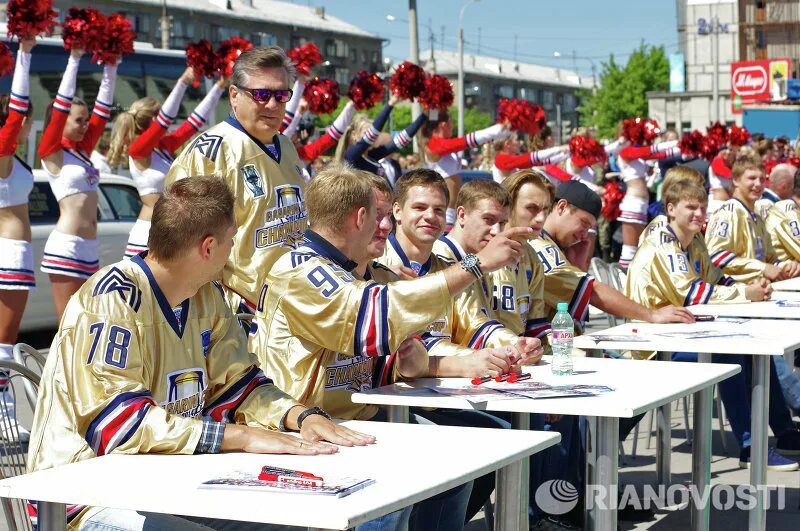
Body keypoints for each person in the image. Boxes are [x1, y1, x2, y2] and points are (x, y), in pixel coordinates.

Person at [27, 176, 374, 530]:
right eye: (232, 240)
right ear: (208, 247)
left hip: (169, 480)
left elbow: (240, 386)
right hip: (84, 496)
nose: (235, 251)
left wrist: (299, 417)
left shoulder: (206, 294)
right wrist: (241, 436)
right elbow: (119, 428)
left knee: (294, 521)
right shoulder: (111, 299)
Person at [255, 162, 532, 531]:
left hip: (360, 415)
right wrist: (477, 263)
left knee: (461, 462)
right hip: (304, 423)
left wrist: (414, 358)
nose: (384, 226)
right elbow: (374, 314)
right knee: (396, 493)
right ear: (359, 217)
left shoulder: (368, 271)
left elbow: (408, 357)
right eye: (378, 216)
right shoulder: (299, 269)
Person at [626, 178, 800, 470]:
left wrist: (752, 287)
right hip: (651, 344)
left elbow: (716, 278)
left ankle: (782, 432)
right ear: (670, 209)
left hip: (683, 333)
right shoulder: (663, 242)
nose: (698, 214)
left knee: (755, 350)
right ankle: (750, 448)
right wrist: (746, 293)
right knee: (731, 355)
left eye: (702, 208)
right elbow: (692, 292)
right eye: (690, 207)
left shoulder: (693, 241)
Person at [165, 46, 307, 344]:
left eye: (282, 95)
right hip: (237, 320)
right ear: (234, 95)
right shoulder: (211, 152)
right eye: (261, 94)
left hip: (290, 312)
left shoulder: (287, 147)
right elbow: (180, 247)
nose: (272, 104)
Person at [531, 180, 695, 328]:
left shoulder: (552, 244)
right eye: (584, 223)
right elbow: (592, 291)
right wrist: (652, 314)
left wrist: (578, 266)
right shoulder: (539, 244)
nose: (583, 236)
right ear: (561, 207)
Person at [107, 67, 227, 258]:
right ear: (155, 119)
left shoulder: (161, 148)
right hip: (145, 234)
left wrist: (219, 86)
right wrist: (182, 82)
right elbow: (164, 120)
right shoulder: (138, 150)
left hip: (166, 230)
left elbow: (193, 124)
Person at [38, 47, 119, 321]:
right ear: (60, 121)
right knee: (69, 323)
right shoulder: (52, 152)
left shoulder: (81, 151)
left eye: (86, 120)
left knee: (86, 322)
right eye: (78, 120)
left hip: (89, 247)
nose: (86, 125)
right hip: (67, 246)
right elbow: (61, 104)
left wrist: (111, 66)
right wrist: (74, 58)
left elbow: (103, 110)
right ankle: (60, 366)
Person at [0, 37, 35, 441]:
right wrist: (24, 53)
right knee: (5, 342)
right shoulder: (4, 153)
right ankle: (7, 420)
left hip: (12, 251)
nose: (23, 120)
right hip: (11, 254)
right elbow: (18, 110)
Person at [706, 157, 800, 283]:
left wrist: (787, 266)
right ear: (735, 180)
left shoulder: (757, 218)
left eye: (762, 179)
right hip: (733, 293)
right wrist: (762, 268)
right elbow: (715, 256)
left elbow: (771, 260)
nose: (758, 184)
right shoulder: (728, 212)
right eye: (752, 178)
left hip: (759, 291)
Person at [420, 109, 510, 229]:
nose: (453, 126)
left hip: (451, 212)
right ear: (443, 124)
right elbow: (465, 142)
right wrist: (497, 129)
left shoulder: (439, 144)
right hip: (443, 212)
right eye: (452, 122)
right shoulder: (433, 145)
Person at [616, 131, 680, 269]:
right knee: (629, 249)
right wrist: (675, 143)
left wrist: (686, 148)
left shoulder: (639, 157)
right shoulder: (625, 152)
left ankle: (631, 282)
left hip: (642, 204)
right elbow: (649, 151)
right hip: (632, 203)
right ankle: (622, 281)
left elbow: (660, 155)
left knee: (638, 247)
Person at [337, 94, 427, 182]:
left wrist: (424, 115)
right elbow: (372, 134)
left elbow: (400, 141)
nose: (373, 137)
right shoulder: (351, 155)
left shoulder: (372, 155)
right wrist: (390, 104)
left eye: (371, 133)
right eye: (366, 133)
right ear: (354, 135)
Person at [491, 132, 568, 183]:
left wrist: (567, 155)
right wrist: (559, 149)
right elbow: (531, 157)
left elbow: (541, 162)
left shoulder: (511, 159)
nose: (520, 142)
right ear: (507, 144)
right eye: (517, 140)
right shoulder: (501, 159)